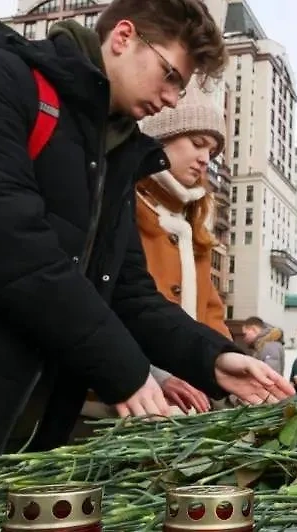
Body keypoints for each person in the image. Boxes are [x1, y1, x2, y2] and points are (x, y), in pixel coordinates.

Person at [0, 2, 294, 528]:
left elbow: (128, 293)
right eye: (171, 76)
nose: (170, 100)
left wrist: (213, 358)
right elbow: (4, 240)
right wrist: (124, 372)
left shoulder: (114, 152)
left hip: (31, 426)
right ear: (123, 37)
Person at [81, 82, 230, 419]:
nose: (205, 159)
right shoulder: (120, 206)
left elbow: (211, 314)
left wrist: (227, 365)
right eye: (197, 143)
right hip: (117, 400)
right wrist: (152, 373)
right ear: (162, 136)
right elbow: (113, 302)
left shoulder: (196, 227)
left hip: (185, 403)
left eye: (213, 152)